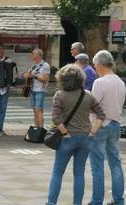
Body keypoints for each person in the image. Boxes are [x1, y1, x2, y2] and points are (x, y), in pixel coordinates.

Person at [46, 64, 105, 205]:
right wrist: (93, 132)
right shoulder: (87, 95)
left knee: (57, 172)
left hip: (67, 138)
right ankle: (77, 203)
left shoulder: (60, 95)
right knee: (79, 173)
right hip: (85, 137)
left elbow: (55, 117)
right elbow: (101, 114)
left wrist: (64, 132)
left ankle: (51, 203)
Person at [89, 50, 126, 205]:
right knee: (115, 163)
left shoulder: (100, 82)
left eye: (95, 65)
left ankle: (97, 200)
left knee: (97, 165)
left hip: (100, 124)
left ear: (99, 65)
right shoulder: (120, 82)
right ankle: (118, 199)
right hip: (115, 123)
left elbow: (93, 106)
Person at [23, 48, 50, 128]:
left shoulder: (45, 65)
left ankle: (40, 129)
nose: (32, 55)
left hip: (40, 90)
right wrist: (26, 75)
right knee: (35, 111)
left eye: (33, 54)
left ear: (38, 55)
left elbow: (45, 79)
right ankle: (36, 128)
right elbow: (27, 74)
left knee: (38, 110)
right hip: (32, 90)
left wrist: (34, 76)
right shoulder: (34, 65)